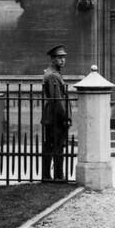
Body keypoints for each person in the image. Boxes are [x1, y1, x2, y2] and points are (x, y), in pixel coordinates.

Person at [40, 44, 71, 183]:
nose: (62, 60)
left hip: (53, 116)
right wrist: (65, 118)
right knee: (57, 147)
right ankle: (58, 176)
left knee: (52, 146)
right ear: (52, 59)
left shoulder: (54, 73)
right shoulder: (53, 75)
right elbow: (57, 100)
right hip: (55, 117)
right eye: (59, 58)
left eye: (63, 57)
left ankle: (49, 176)